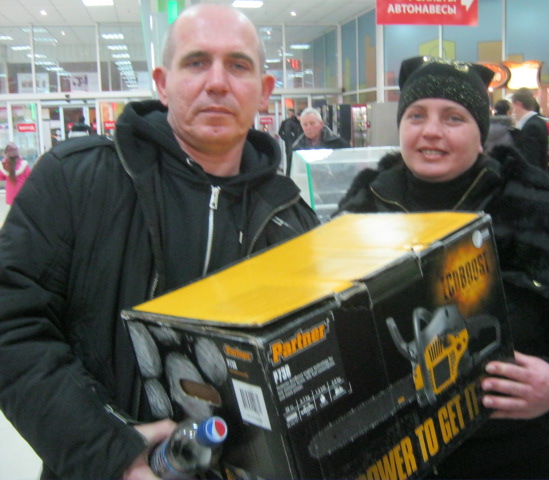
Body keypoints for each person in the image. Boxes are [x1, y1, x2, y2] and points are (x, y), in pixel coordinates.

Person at [0, 5, 319, 480]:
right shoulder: (76, 181)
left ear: (264, 90)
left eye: (238, 65)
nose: (217, 82)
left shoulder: (294, 223)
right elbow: (12, 325)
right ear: (163, 83)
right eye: (196, 62)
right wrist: (112, 452)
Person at [336, 57, 549, 479]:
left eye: (453, 117)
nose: (431, 130)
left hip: (514, 459)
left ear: (481, 133)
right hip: (395, 462)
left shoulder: (538, 214)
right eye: (416, 115)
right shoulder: (361, 213)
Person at [510, 87, 549, 170]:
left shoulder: (531, 127)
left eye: (513, 106)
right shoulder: (540, 122)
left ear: (518, 104)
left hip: (533, 175)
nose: (513, 111)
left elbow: (530, 160)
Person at [278, 108, 303, 175]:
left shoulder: (300, 122)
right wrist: (286, 139)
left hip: (296, 143)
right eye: (289, 113)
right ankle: (289, 174)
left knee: (294, 160)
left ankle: (291, 174)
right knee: (290, 160)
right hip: (290, 144)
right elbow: (281, 132)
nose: (290, 114)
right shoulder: (286, 122)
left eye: (291, 113)